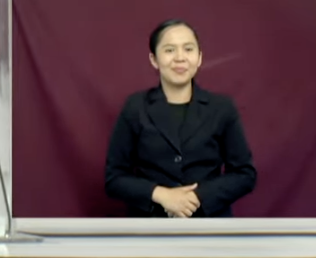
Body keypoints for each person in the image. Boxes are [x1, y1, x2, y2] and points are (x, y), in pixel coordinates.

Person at [105, 19, 256, 217]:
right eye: (169, 50)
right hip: (149, 227)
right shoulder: (135, 106)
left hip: (210, 226)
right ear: (154, 59)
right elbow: (114, 178)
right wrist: (162, 195)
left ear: (199, 57)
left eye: (188, 49)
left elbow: (245, 174)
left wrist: (195, 199)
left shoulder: (222, 108)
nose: (180, 58)